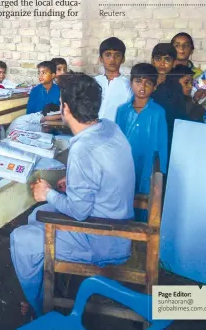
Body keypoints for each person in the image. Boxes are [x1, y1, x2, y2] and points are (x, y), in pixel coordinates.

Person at [10, 73, 135, 318]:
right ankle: (48, 286)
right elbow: (101, 174)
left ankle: (41, 309)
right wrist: (74, 183)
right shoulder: (109, 127)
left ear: (65, 108)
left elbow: (79, 212)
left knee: (21, 239)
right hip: (117, 223)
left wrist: (48, 193)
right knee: (36, 216)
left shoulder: (82, 149)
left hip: (104, 238)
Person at [115, 64, 168, 220]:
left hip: (148, 164)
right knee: (124, 198)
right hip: (125, 163)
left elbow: (163, 144)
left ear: (154, 86)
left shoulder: (158, 112)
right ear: (131, 83)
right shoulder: (122, 110)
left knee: (146, 202)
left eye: (148, 83)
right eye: (138, 81)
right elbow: (116, 140)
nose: (142, 86)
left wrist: (161, 173)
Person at [151, 43, 189, 153]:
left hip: (166, 137)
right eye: (158, 59)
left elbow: (179, 115)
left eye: (167, 60)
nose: (162, 63)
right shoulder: (145, 82)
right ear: (152, 60)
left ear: (174, 63)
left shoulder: (176, 86)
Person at [170, 32, 206, 103]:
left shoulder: (198, 74)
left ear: (192, 50)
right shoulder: (164, 70)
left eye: (186, 45)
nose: (182, 48)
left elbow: (203, 103)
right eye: (177, 45)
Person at [94, 37, 133, 122]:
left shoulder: (128, 86)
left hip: (116, 132)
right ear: (101, 58)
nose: (112, 59)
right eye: (108, 55)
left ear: (123, 59)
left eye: (117, 55)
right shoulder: (93, 82)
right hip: (92, 131)